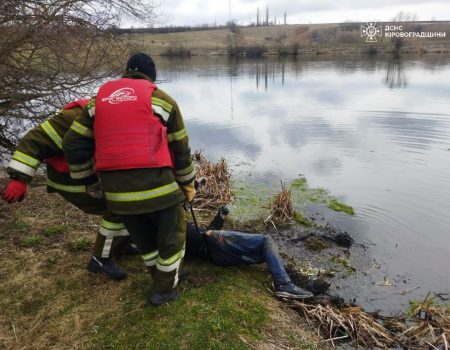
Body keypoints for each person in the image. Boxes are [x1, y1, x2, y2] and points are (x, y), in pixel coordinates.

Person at [62, 53, 196, 306]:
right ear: (151, 77)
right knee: (172, 240)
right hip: (159, 189)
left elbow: (72, 143)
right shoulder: (163, 100)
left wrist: (89, 180)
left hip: (117, 194)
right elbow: (180, 150)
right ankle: (163, 291)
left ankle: (163, 278)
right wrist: (187, 184)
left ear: (126, 73)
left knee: (145, 239)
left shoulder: (97, 102)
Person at [1, 100, 133, 280]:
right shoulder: (75, 117)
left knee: (134, 202)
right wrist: (20, 179)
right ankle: (100, 259)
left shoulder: (127, 115)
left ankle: (120, 247)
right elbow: (35, 140)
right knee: (119, 207)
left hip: (93, 174)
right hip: (69, 177)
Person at [185, 207, 314, 299]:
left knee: (264, 252)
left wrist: (219, 218)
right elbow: (199, 238)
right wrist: (210, 233)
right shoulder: (171, 230)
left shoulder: (173, 227)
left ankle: (288, 276)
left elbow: (198, 238)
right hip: (214, 243)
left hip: (216, 255)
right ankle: (284, 285)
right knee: (266, 240)